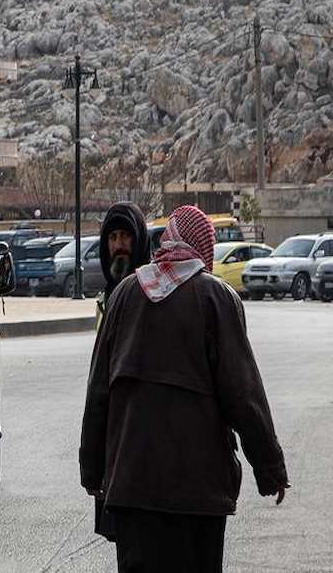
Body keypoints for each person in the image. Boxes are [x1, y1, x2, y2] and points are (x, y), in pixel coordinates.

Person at [80, 205, 289, 572]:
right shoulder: (217, 298)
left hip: (133, 486)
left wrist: (93, 469)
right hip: (198, 492)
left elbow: (99, 392)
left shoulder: (125, 294)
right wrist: (270, 469)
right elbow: (244, 395)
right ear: (203, 246)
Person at [96, 202, 151, 331]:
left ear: (139, 239)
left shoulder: (153, 293)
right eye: (113, 237)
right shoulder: (105, 298)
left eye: (125, 236)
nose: (119, 245)